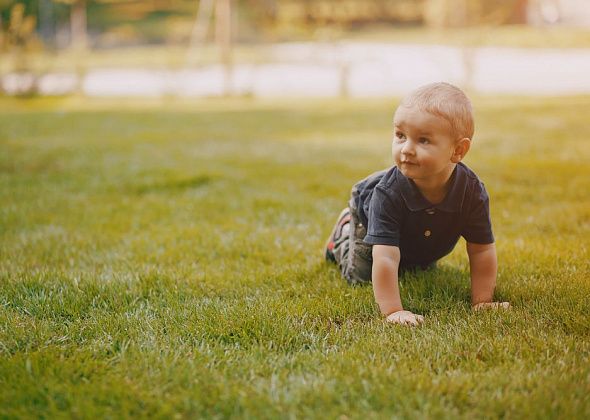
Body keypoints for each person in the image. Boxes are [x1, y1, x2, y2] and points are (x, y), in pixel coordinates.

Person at [325, 82, 509, 326]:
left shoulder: (471, 192)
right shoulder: (387, 193)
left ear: (458, 150)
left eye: (423, 140)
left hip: (417, 229)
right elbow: (386, 257)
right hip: (367, 210)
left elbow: (482, 249)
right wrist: (393, 311)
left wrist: (482, 301)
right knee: (361, 276)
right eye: (401, 136)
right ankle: (345, 230)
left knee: (417, 264)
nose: (407, 149)